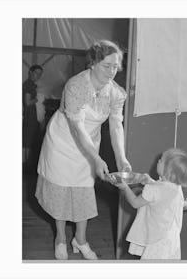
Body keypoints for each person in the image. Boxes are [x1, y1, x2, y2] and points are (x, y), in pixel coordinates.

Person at [35, 40, 132, 260]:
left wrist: (121, 158)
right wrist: (96, 159)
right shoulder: (76, 85)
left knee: (83, 191)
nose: (112, 71)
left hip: (90, 143)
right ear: (93, 63)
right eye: (107, 65)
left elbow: (116, 125)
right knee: (61, 189)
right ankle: (60, 238)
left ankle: (80, 240)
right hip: (63, 140)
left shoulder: (116, 93)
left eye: (116, 66)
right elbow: (77, 127)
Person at [116, 148, 187, 260]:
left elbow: (135, 203)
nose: (158, 161)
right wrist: (151, 181)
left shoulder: (154, 190)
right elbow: (162, 192)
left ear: (169, 171)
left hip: (156, 240)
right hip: (170, 239)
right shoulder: (176, 188)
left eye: (161, 160)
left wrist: (125, 187)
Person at [23, 64, 44, 172]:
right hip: (29, 116)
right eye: (36, 73)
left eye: (40, 74)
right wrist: (37, 99)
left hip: (31, 116)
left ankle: (27, 164)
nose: (38, 76)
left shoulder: (30, 84)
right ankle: (26, 165)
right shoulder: (29, 85)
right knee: (28, 140)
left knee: (28, 140)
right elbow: (27, 102)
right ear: (30, 72)